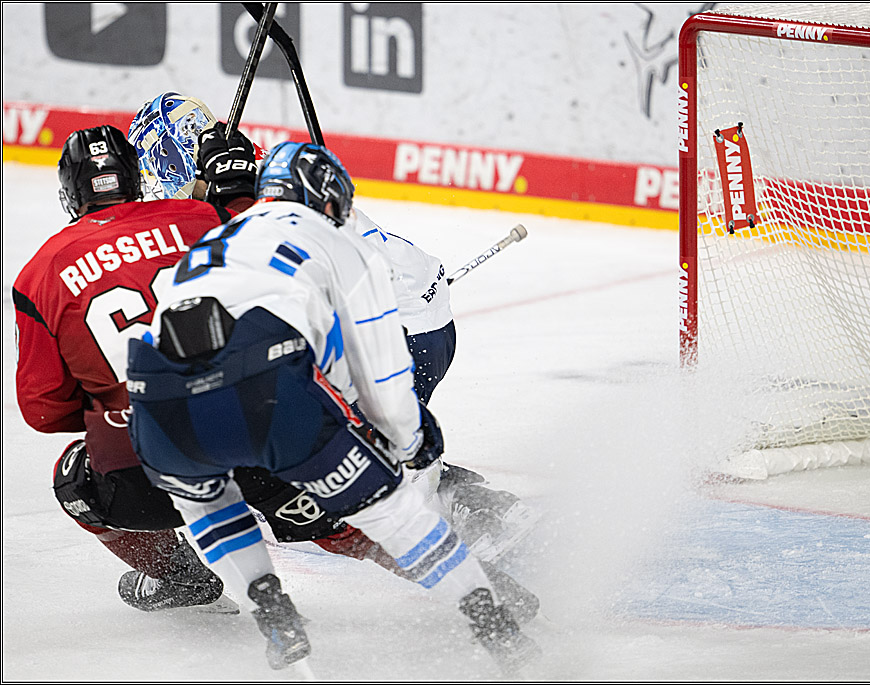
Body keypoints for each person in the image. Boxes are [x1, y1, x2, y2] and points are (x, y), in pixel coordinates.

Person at [125, 141, 540, 673]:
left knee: (206, 500)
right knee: (395, 513)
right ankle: (498, 629)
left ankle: (269, 604)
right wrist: (413, 440)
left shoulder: (212, 239)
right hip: (269, 392)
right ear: (325, 200)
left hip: (158, 407)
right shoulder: (344, 245)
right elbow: (378, 372)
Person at [13, 123, 259, 613]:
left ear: (70, 195)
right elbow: (272, 232)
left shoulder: (39, 273)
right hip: (254, 440)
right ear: (136, 179)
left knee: (74, 479)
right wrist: (235, 182)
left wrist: (110, 401)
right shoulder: (201, 217)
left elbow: (41, 411)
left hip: (144, 475)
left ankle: (182, 579)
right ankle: (428, 542)